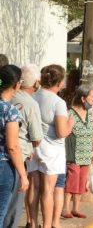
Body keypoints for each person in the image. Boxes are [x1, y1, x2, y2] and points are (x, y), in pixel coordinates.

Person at [33, 65, 75, 228]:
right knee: (49, 190)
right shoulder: (58, 102)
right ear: (59, 82)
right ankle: (48, 224)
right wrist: (70, 122)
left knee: (34, 189)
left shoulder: (34, 96)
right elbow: (62, 132)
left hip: (35, 147)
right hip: (52, 151)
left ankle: (33, 222)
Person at [4, 65, 43, 228]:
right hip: (15, 161)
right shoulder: (29, 105)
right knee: (11, 210)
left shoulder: (7, 99)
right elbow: (36, 138)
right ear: (35, 83)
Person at [62, 85, 93, 219]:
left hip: (86, 155)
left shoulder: (90, 115)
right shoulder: (70, 114)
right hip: (73, 154)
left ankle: (76, 208)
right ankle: (65, 208)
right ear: (83, 99)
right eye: (91, 97)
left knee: (81, 182)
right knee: (72, 180)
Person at [0, 65, 29, 224]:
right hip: (3, 167)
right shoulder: (10, 111)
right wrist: (23, 176)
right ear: (17, 84)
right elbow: (12, 146)